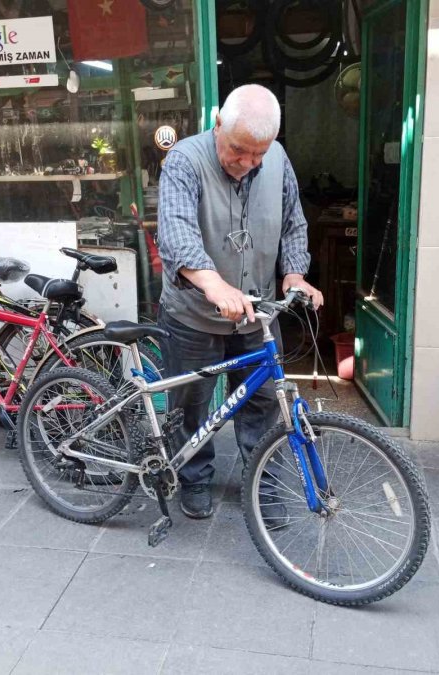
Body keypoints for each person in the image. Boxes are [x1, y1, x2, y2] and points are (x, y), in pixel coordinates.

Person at [157, 84, 324, 519]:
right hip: (193, 317)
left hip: (256, 316)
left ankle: (262, 484)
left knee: (264, 404)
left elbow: (293, 223)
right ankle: (193, 480)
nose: (248, 163)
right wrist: (213, 284)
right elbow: (176, 233)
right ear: (217, 126)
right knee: (190, 405)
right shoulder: (184, 161)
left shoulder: (278, 161)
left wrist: (294, 275)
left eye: (258, 154)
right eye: (238, 150)